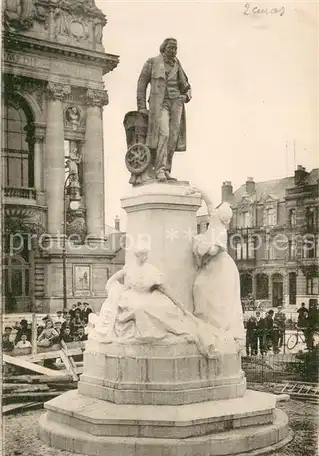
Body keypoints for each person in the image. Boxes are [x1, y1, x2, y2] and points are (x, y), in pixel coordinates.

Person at [88, 246, 221, 358]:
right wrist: (113, 290)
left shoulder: (151, 270)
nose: (145, 257)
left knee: (164, 310)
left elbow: (165, 288)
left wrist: (179, 304)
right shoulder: (129, 268)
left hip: (148, 296)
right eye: (142, 255)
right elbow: (112, 279)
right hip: (130, 297)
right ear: (137, 255)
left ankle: (186, 333)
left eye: (146, 254)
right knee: (140, 308)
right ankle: (144, 334)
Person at [189, 186, 245, 346]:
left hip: (220, 267)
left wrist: (201, 245)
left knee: (217, 298)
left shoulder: (221, 232)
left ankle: (217, 328)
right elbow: (209, 202)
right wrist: (196, 190)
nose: (216, 214)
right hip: (209, 267)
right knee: (199, 288)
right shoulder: (214, 221)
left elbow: (213, 251)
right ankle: (204, 323)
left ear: (223, 219)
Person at [137, 38, 192, 181]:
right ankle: (159, 169)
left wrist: (185, 96)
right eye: (170, 48)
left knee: (173, 138)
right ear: (163, 48)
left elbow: (187, 86)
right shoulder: (152, 62)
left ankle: (167, 169)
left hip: (177, 103)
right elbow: (141, 84)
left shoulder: (177, 65)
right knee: (164, 134)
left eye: (175, 48)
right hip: (159, 104)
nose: (173, 51)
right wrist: (142, 107)